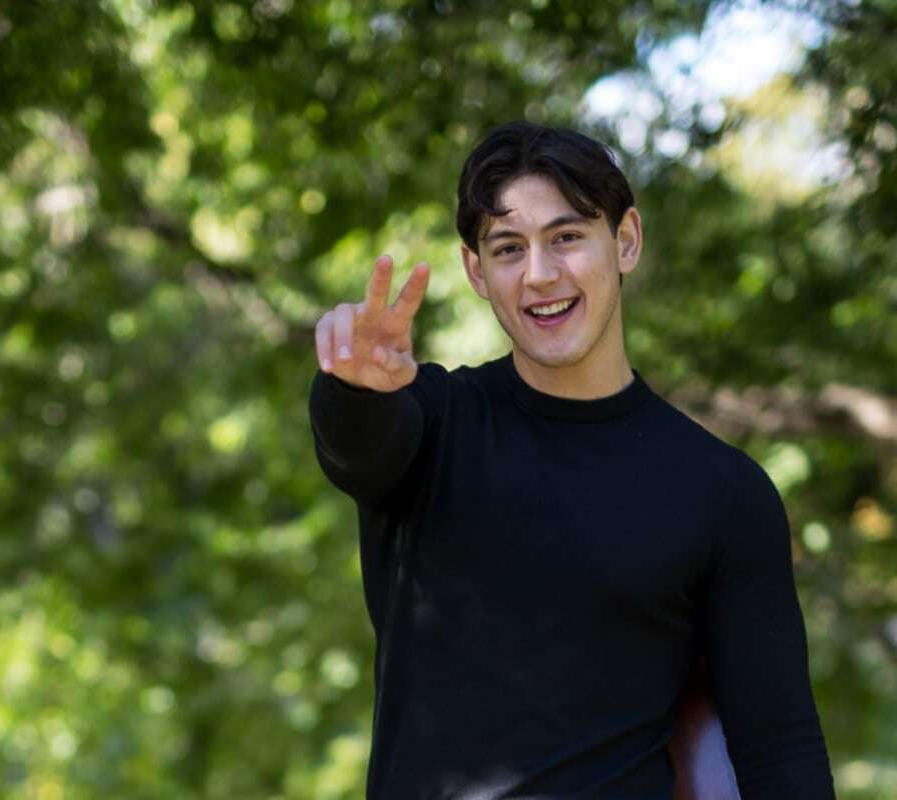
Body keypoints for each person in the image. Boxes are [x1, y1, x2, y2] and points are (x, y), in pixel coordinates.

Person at [307, 121, 836, 799]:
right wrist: (350, 383)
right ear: (476, 272)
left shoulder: (725, 492)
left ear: (626, 241)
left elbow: (780, 749)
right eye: (507, 247)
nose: (539, 274)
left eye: (566, 237)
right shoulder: (434, 422)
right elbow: (356, 445)